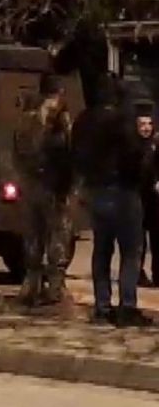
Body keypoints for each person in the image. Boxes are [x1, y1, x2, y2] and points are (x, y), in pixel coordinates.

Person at [72, 74, 153, 327]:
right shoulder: (121, 121)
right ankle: (127, 307)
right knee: (130, 252)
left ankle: (102, 306)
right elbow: (133, 155)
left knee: (102, 251)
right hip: (124, 191)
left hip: (96, 191)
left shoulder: (84, 120)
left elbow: (75, 153)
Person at [13, 74, 74, 306]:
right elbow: (69, 150)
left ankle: (31, 285)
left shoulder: (25, 119)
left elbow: (16, 153)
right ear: (59, 92)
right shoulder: (60, 118)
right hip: (54, 187)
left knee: (33, 236)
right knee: (58, 235)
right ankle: (55, 288)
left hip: (30, 186)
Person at [135, 110, 159, 287]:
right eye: (142, 124)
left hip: (154, 200)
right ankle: (137, 273)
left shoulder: (155, 145)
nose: (146, 128)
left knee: (157, 238)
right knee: (138, 240)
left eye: (149, 124)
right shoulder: (132, 147)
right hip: (137, 199)